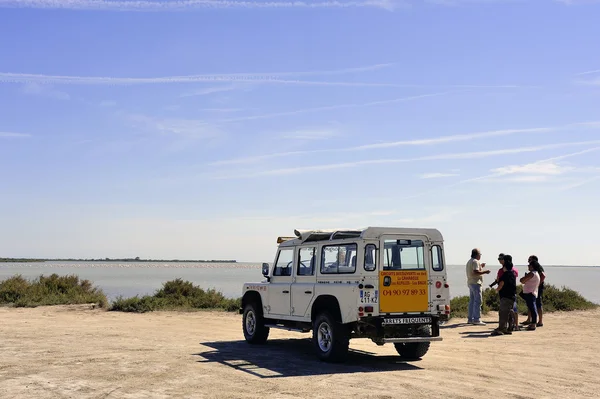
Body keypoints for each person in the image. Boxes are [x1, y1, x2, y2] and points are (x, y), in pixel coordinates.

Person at [490, 253, 520, 329]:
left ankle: (502, 328)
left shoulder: (503, 273)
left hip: (505, 295)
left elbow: (500, 283)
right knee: (512, 310)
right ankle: (513, 326)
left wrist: (496, 290)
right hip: (512, 294)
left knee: (503, 312)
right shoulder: (514, 272)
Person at [466, 248, 491, 325]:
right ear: (477, 254)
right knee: (478, 301)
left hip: (470, 282)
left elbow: (474, 270)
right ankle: (476, 319)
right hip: (476, 283)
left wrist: (481, 266)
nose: (480, 256)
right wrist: (485, 272)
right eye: (480, 254)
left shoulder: (470, 261)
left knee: (472, 301)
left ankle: (470, 318)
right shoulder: (475, 261)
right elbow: (475, 272)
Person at [519, 259, 541, 331]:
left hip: (530, 293)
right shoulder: (536, 273)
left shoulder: (532, 273)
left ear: (532, 266)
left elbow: (522, 280)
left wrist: (523, 278)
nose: (528, 266)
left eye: (529, 265)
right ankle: (532, 323)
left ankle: (533, 324)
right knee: (532, 308)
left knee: (532, 308)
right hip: (531, 292)